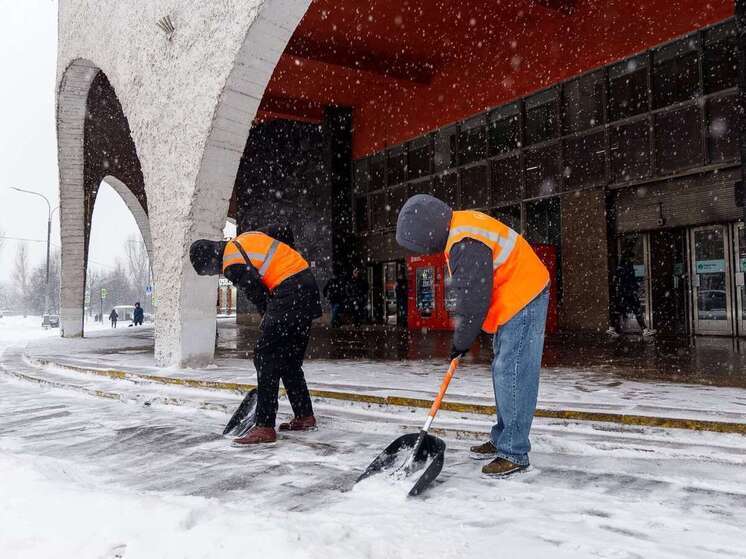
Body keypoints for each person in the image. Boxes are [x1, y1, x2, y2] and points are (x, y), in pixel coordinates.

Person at [396, 194, 549, 477]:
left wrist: (461, 341)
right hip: (514, 295)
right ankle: (503, 437)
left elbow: (474, 298)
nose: (425, 250)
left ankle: (514, 452)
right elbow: (469, 292)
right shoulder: (459, 228)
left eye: (420, 243)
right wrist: (463, 338)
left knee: (513, 372)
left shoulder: (464, 241)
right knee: (504, 370)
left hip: (524, 294)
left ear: (428, 231)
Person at [190, 225, 322, 445]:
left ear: (211, 258)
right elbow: (282, 230)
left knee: (265, 356)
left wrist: (267, 317)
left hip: (288, 292)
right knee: (288, 360)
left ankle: (264, 426)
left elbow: (256, 291)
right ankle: (304, 416)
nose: (217, 273)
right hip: (307, 285)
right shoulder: (246, 238)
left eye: (211, 271)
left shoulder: (231, 261)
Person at [607, 251, 655, 338]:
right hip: (628, 293)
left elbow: (621, 280)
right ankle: (644, 330)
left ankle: (612, 328)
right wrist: (635, 287)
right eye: (632, 258)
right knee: (636, 310)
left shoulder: (622, 266)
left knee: (619, 311)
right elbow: (629, 279)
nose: (634, 259)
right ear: (629, 258)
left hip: (624, 293)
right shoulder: (626, 266)